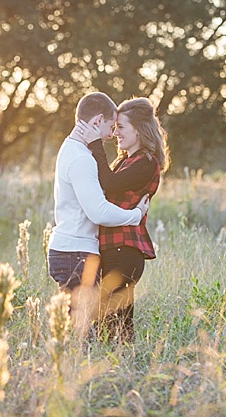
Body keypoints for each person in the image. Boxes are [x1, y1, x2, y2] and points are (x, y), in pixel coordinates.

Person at [74, 97, 170, 343]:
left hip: (125, 251)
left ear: (139, 130)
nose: (115, 132)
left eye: (121, 127)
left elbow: (109, 183)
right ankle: (124, 373)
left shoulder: (146, 163)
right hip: (113, 249)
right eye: (114, 127)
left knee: (111, 322)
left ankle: (119, 372)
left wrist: (95, 142)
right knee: (118, 325)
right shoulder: (126, 161)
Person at [47, 92, 151, 298]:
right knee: (81, 328)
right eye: (111, 126)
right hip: (75, 254)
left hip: (71, 251)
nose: (111, 135)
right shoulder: (81, 158)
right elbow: (99, 212)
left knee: (80, 326)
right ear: (97, 121)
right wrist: (136, 215)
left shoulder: (70, 149)